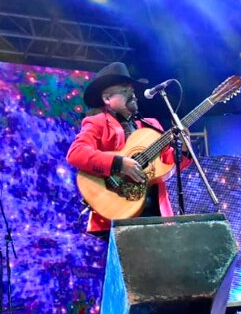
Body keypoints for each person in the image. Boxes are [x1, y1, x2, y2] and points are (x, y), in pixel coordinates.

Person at [66, 62, 190, 236]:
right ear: (107, 99)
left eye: (132, 90)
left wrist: (183, 148)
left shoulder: (151, 125)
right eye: (125, 90)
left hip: (154, 213)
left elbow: (170, 165)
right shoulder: (97, 122)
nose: (132, 94)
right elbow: (75, 154)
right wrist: (120, 163)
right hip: (116, 211)